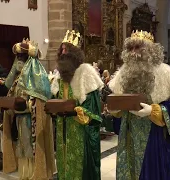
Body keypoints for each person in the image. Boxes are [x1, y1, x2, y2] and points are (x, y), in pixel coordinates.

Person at [108, 30, 170, 180]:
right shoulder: (123, 73)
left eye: (138, 47)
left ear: (150, 50)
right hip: (128, 133)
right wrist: (115, 109)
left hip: (153, 134)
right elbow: (116, 102)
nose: (134, 52)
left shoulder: (165, 72)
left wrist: (153, 111)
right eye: (131, 48)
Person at [0, 39, 55, 179]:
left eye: (22, 57)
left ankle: (36, 175)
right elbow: (10, 91)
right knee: (22, 151)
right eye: (18, 57)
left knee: (31, 151)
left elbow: (40, 102)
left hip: (30, 121)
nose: (18, 60)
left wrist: (26, 105)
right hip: (18, 119)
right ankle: (25, 175)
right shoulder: (17, 78)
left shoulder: (37, 76)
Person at [49, 30, 103, 180]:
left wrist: (76, 112)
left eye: (66, 49)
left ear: (74, 53)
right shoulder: (60, 75)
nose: (63, 52)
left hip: (80, 129)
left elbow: (94, 108)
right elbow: (55, 97)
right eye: (62, 49)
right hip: (63, 127)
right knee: (64, 161)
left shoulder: (86, 72)